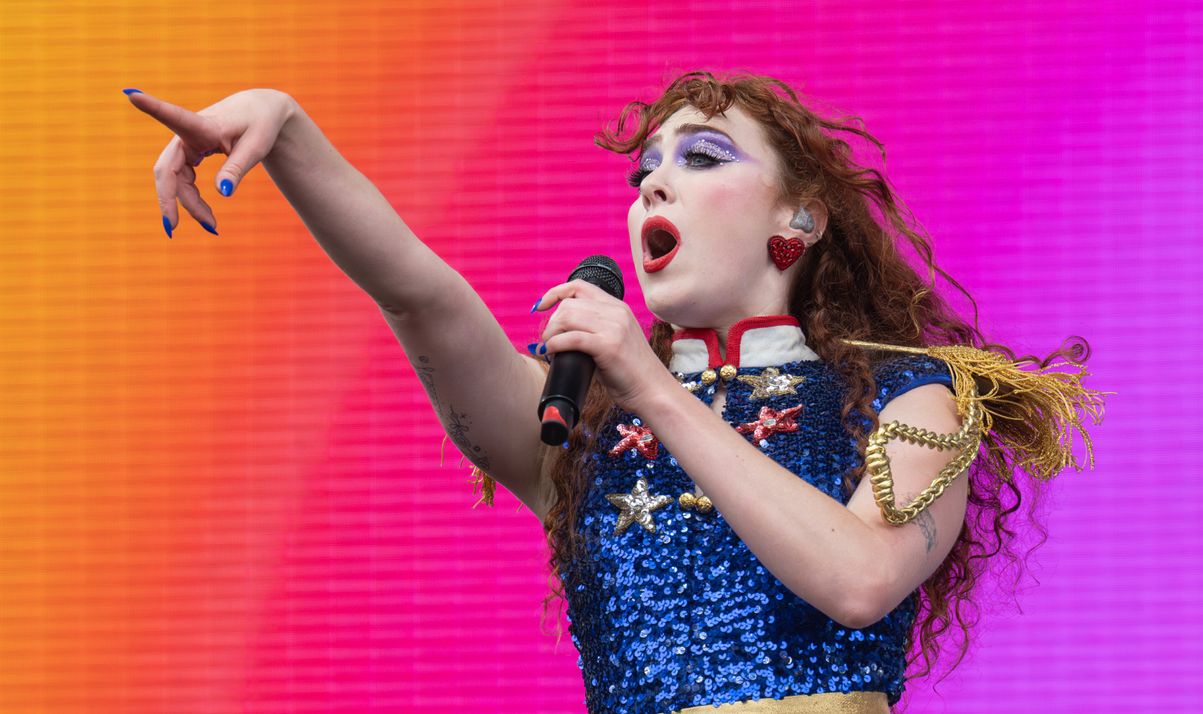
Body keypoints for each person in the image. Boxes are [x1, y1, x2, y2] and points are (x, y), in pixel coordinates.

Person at [126, 71, 1109, 713]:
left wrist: (647, 378)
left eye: (701, 160)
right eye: (644, 173)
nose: (652, 188)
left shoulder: (907, 396)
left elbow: (859, 582)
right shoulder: (588, 428)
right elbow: (422, 296)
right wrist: (287, 127)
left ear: (799, 218)